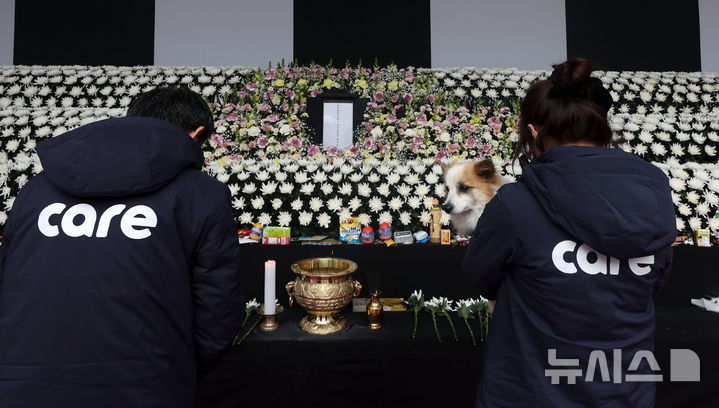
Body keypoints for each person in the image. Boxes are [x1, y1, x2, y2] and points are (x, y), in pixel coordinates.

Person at [0, 87, 244, 407]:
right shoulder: (201, 195)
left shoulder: (36, 190)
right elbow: (218, 311)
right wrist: (176, 370)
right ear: (196, 135)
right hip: (146, 386)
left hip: (24, 386)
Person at [463, 59, 676, 407]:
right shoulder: (651, 196)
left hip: (531, 392)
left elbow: (480, 276)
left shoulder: (516, 206)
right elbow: (655, 281)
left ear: (534, 133)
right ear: (601, 128)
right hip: (623, 393)